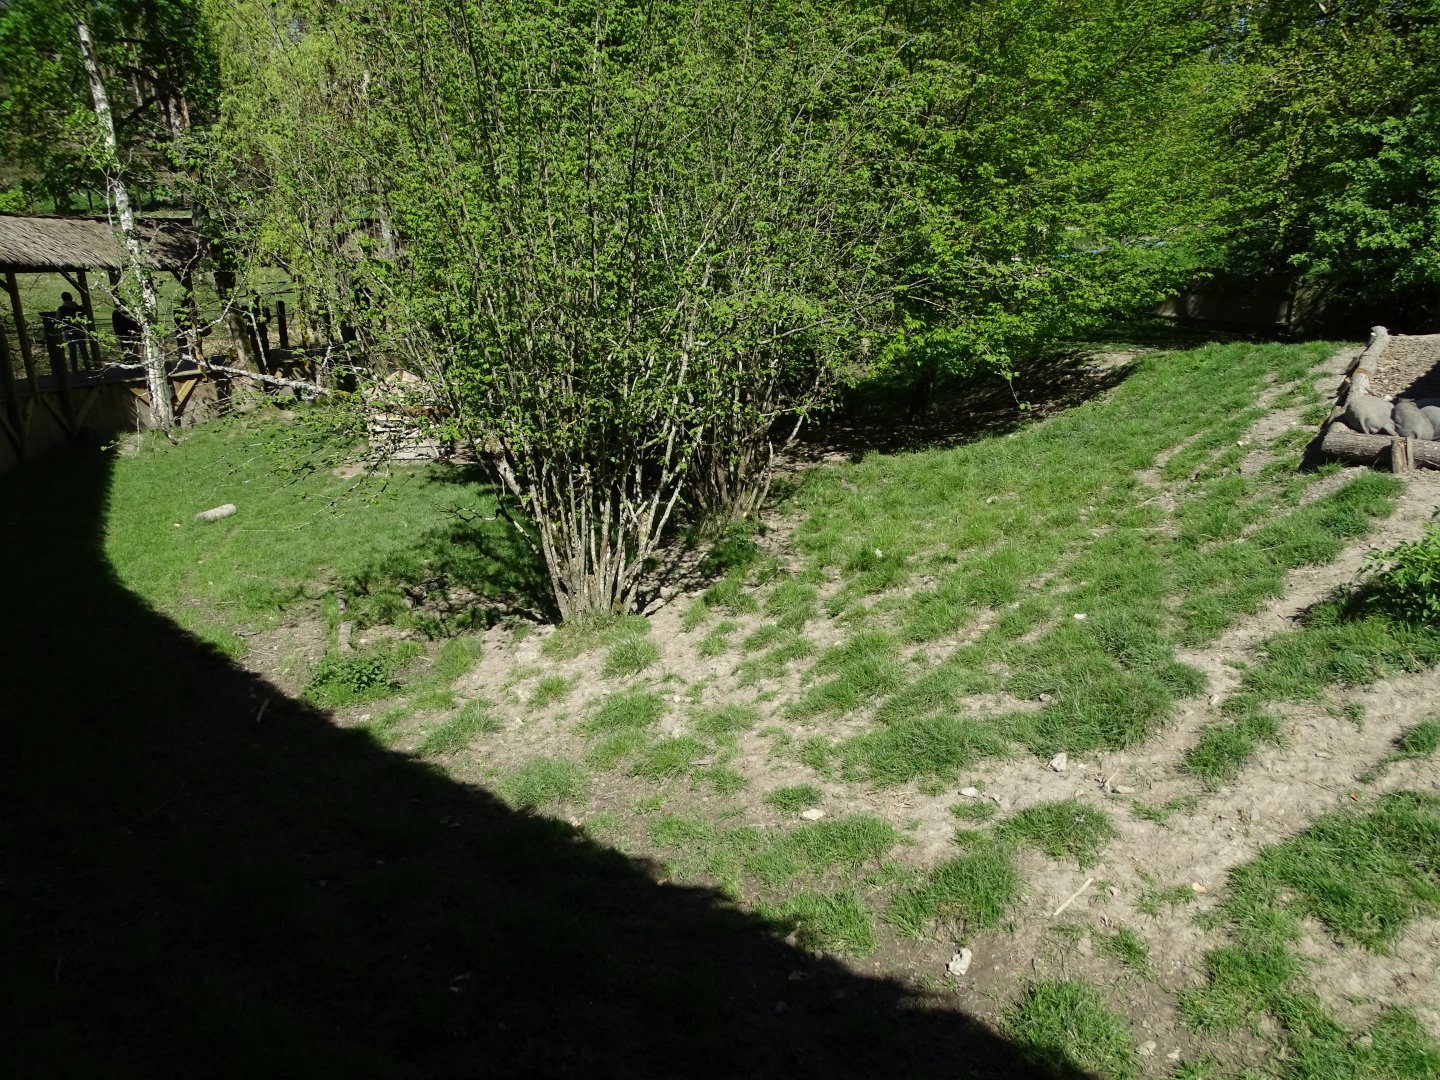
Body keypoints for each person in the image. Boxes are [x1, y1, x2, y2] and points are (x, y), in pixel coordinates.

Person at [56, 292, 88, 370]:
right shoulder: (79, 308)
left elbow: (57, 319)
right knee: (84, 350)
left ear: (63, 299)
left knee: (72, 352)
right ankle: (88, 367)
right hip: (80, 330)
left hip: (69, 331)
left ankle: (74, 369)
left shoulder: (61, 309)